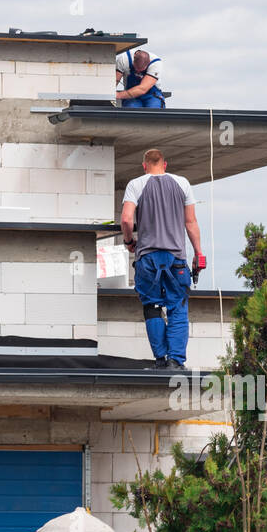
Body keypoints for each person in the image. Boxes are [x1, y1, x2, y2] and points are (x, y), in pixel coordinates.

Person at [119, 149, 205, 369]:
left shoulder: (136, 184)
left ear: (144, 165)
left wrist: (129, 242)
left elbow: (127, 220)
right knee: (177, 306)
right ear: (165, 164)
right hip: (175, 258)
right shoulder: (182, 183)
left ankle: (160, 361)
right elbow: (191, 222)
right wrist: (199, 253)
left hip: (147, 258)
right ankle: (175, 362)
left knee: (153, 306)